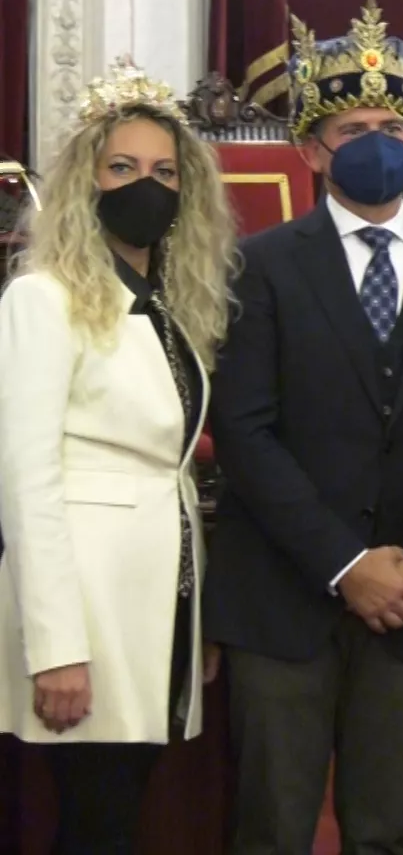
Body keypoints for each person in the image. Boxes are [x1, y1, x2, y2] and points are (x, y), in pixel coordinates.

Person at [205, 1, 403, 853]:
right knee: (272, 825)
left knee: (389, 830)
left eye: (392, 125)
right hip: (284, 597)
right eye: (352, 126)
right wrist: (345, 563)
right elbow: (247, 431)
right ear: (311, 149)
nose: (377, 141)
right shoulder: (257, 266)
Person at [0, 63, 234, 853]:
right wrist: (55, 645)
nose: (148, 185)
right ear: (86, 182)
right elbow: (27, 482)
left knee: (123, 815)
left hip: (156, 608)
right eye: (124, 168)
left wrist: (192, 618)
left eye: (166, 171)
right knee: (94, 825)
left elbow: (168, 473)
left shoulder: (167, 308)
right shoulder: (42, 297)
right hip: (86, 618)